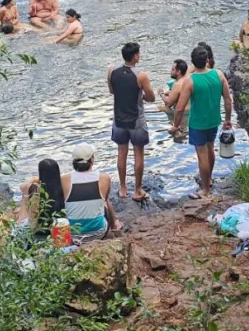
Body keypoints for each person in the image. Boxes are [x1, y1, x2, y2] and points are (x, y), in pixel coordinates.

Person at [172, 45, 233, 199]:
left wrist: (176, 125)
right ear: (207, 60)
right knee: (210, 149)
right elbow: (227, 99)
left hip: (198, 123)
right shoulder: (218, 75)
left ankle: (205, 190)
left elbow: (179, 108)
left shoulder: (190, 81)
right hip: (214, 120)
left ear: (192, 62)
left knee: (202, 155)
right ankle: (209, 179)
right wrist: (227, 119)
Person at [107, 42, 156, 202]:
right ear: (135, 56)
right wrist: (141, 96)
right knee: (138, 154)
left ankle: (122, 188)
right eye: (139, 54)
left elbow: (112, 90)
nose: (140, 56)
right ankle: (137, 190)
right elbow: (151, 97)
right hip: (137, 121)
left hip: (119, 120)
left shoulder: (112, 70)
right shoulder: (141, 75)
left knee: (121, 153)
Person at [63, 144, 123, 243]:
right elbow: (105, 201)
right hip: (98, 234)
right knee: (104, 201)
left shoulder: (64, 179)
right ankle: (114, 225)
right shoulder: (104, 178)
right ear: (92, 160)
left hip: (72, 236)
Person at [16, 158, 65, 238]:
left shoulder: (35, 188)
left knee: (25, 200)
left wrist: (34, 179)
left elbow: (22, 186)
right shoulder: (62, 186)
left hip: (36, 228)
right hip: (57, 225)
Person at [158, 59, 189, 139]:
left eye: (172, 69)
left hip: (182, 114)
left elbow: (168, 103)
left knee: (160, 108)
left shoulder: (177, 84)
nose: (170, 71)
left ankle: (180, 136)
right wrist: (171, 93)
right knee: (184, 128)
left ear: (178, 72)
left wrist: (161, 93)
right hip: (189, 112)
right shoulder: (189, 80)